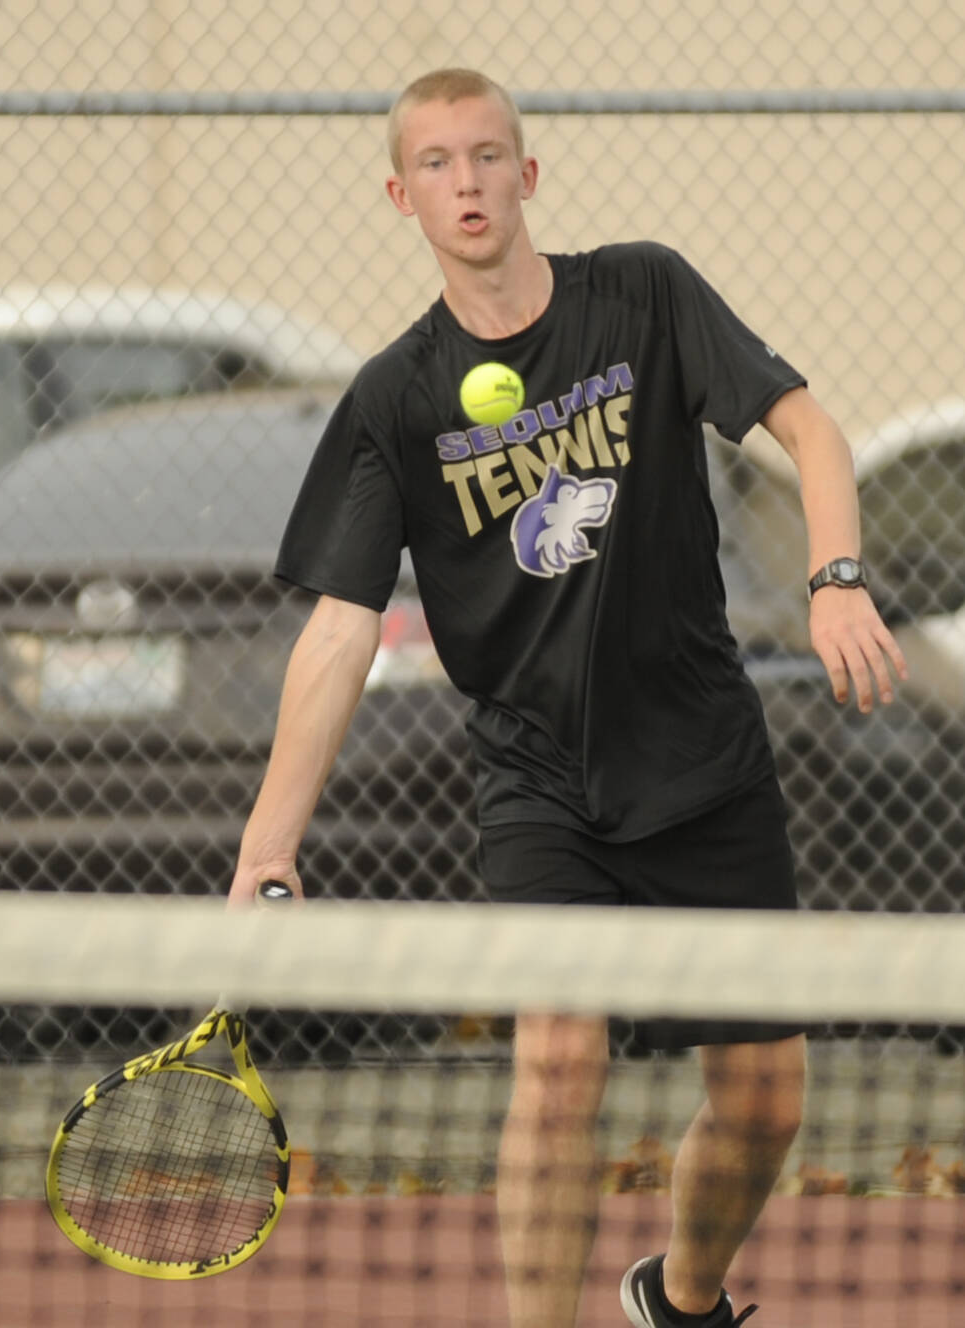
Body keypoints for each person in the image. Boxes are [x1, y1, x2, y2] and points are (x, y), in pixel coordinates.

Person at [228, 68, 908, 1328]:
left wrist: (832, 578)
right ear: (400, 196)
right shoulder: (396, 398)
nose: (467, 182)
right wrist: (269, 840)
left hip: (703, 759)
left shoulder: (640, 294)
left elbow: (808, 428)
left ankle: (680, 1295)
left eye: (488, 155)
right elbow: (336, 627)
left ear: (527, 174)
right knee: (554, 1065)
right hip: (538, 778)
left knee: (766, 1101)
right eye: (436, 164)